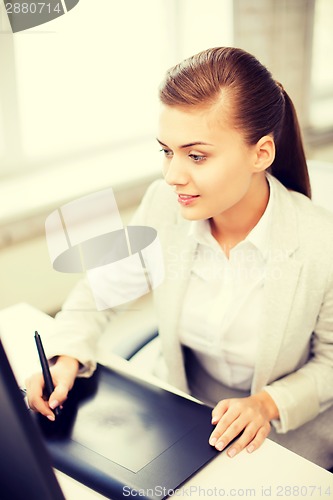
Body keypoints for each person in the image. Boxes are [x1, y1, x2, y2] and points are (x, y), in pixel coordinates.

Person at [26, 47, 333, 469]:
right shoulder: (163, 206)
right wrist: (65, 358)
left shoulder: (321, 243)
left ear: (261, 153)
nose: (172, 176)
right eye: (167, 152)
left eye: (196, 155)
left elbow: (331, 364)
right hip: (183, 413)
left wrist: (265, 404)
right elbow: (99, 293)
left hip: (285, 436)